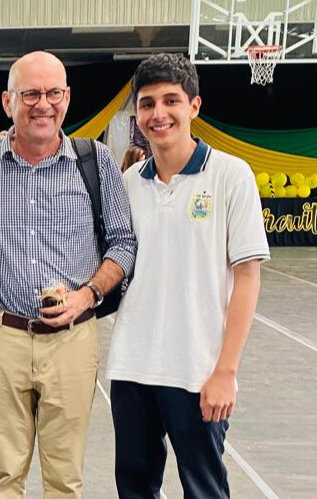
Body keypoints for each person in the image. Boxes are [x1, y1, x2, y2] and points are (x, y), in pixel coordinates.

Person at [0, 51, 137, 498]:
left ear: (67, 98)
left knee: (64, 480)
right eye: (30, 93)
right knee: (5, 477)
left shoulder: (97, 162)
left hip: (73, 338)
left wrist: (88, 294)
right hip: (2, 339)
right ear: (7, 101)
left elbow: (124, 244)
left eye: (53, 92)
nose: (43, 104)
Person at [106, 53, 270, 498]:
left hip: (198, 370)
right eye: (147, 104)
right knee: (135, 488)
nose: (159, 114)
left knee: (204, 489)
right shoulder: (129, 183)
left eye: (171, 101)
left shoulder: (231, 176)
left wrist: (226, 371)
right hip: (132, 366)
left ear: (194, 106)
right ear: (137, 114)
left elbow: (249, 278)